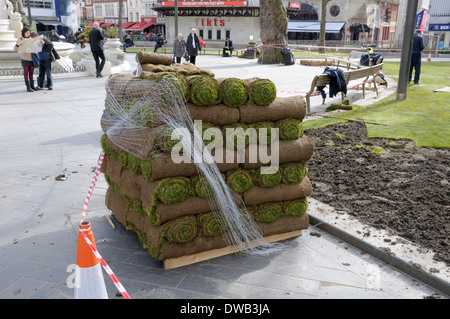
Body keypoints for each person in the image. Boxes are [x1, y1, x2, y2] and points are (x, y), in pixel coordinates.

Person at [14, 26, 40, 92]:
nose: (28, 34)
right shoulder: (20, 39)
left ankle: (32, 86)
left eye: (29, 33)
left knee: (31, 73)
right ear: (23, 33)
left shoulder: (31, 39)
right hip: (25, 58)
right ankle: (28, 87)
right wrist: (18, 45)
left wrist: (40, 43)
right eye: (27, 33)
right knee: (26, 73)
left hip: (32, 58)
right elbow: (15, 48)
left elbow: (36, 47)